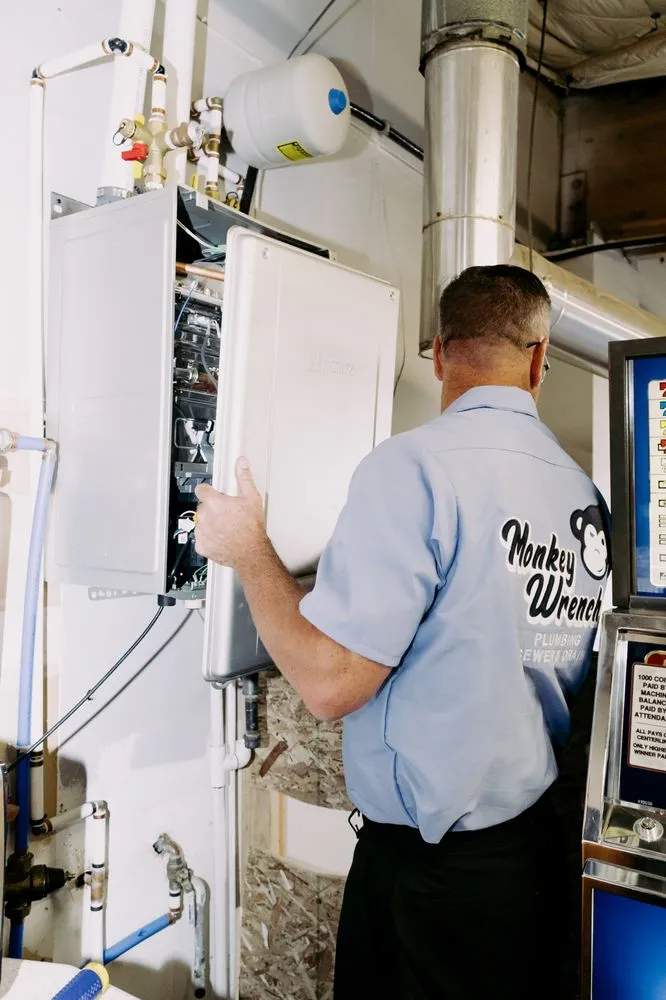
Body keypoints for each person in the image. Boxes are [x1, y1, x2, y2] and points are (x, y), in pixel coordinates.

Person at [194, 264, 610, 1000]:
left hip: (432, 883)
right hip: (527, 861)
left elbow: (330, 686)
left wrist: (248, 549)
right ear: (540, 359)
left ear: (440, 353)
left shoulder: (412, 469)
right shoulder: (583, 496)